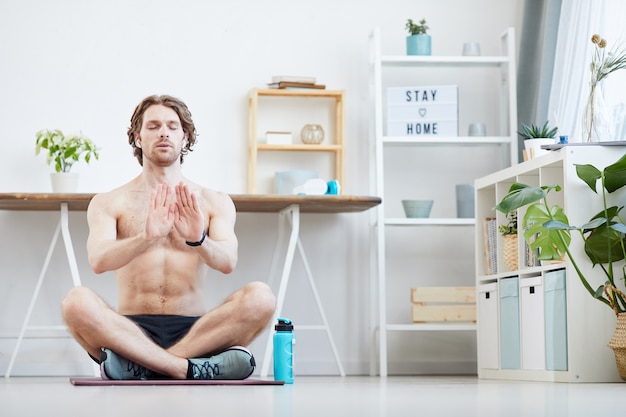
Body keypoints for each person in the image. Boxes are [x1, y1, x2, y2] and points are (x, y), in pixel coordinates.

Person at [61, 94, 276, 380]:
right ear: (137, 138)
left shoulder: (215, 201)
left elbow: (227, 262)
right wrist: (145, 237)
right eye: (153, 126)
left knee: (261, 297)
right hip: (128, 330)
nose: (164, 132)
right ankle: (187, 368)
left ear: (185, 138)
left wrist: (199, 238)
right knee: (75, 302)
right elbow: (98, 261)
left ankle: (145, 367)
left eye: (173, 126)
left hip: (198, 330)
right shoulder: (109, 202)